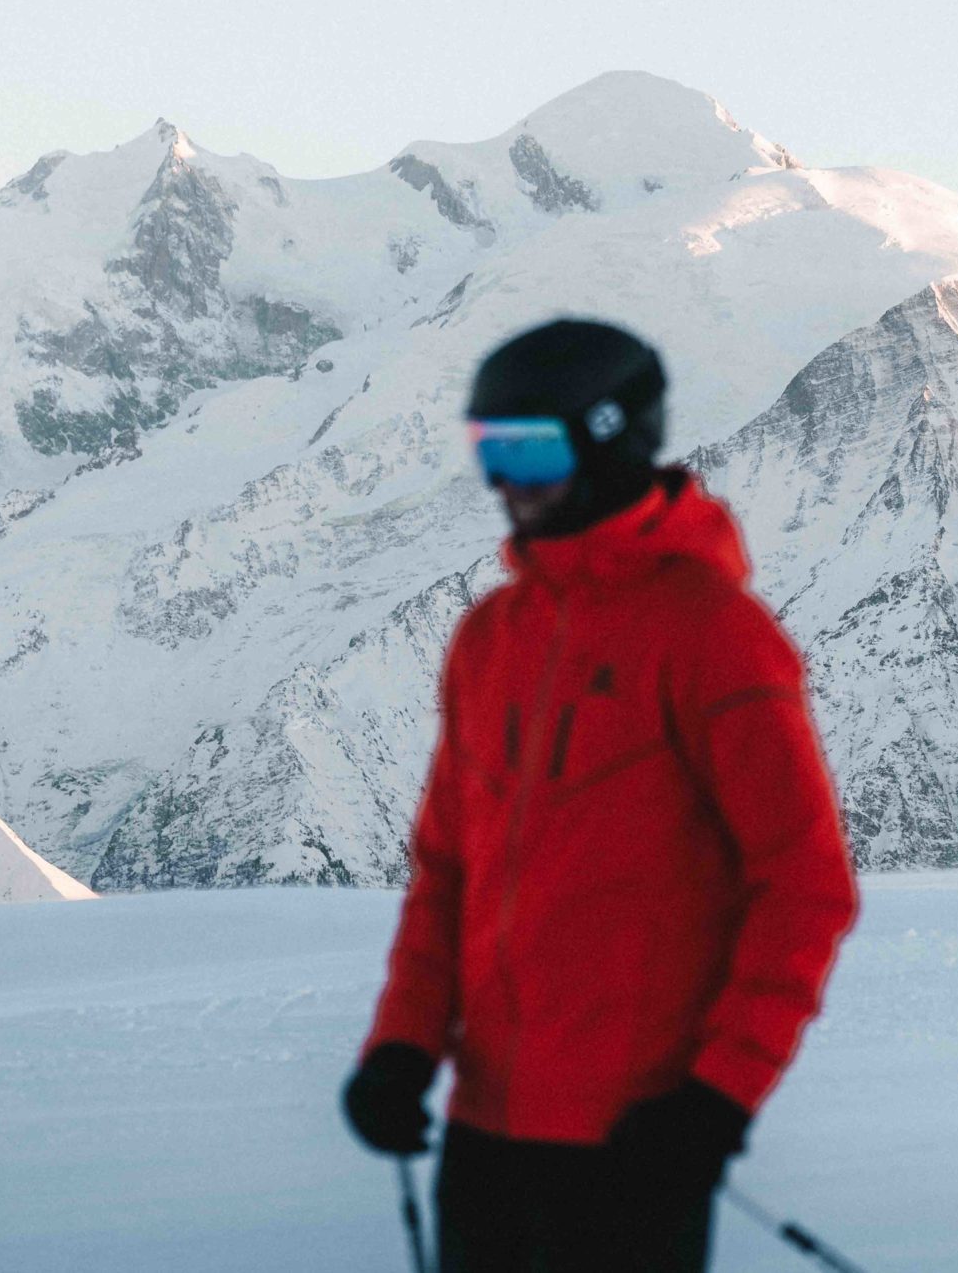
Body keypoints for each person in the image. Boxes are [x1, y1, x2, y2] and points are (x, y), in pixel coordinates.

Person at [341, 317, 860, 1272]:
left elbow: (806, 886)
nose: (506, 482)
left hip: (635, 1145)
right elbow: (446, 875)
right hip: (484, 1138)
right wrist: (401, 1047)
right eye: (488, 452)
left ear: (612, 437)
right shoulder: (491, 637)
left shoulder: (714, 634)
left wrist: (717, 1097)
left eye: (530, 449)